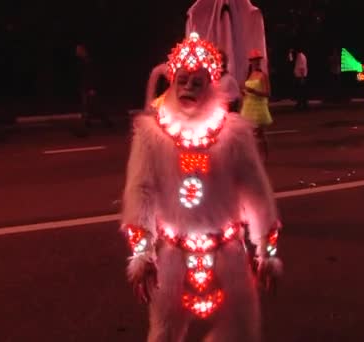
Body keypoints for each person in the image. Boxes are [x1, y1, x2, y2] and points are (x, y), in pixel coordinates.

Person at [120, 33, 282, 342]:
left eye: (197, 82)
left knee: (242, 331)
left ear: (211, 85)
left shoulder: (233, 134)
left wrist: (267, 252)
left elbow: (257, 194)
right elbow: (141, 193)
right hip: (173, 255)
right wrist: (142, 254)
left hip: (228, 252)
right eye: (182, 80)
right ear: (172, 82)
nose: (187, 89)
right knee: (164, 333)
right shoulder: (151, 135)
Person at [240, 49, 273, 160]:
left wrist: (253, 91)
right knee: (252, 134)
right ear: (251, 62)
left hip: (258, 108)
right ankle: (258, 155)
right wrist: (244, 92)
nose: (257, 62)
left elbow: (268, 93)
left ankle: (264, 155)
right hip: (248, 106)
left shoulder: (263, 75)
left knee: (260, 133)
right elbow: (246, 90)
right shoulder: (250, 74)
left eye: (258, 60)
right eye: (254, 60)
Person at [75, 43, 112, 128]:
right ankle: (89, 122)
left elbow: (92, 75)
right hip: (84, 87)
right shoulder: (81, 61)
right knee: (87, 106)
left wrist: (92, 88)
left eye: (78, 50)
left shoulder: (88, 61)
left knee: (94, 105)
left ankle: (105, 121)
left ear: (82, 50)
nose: (76, 52)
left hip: (88, 87)